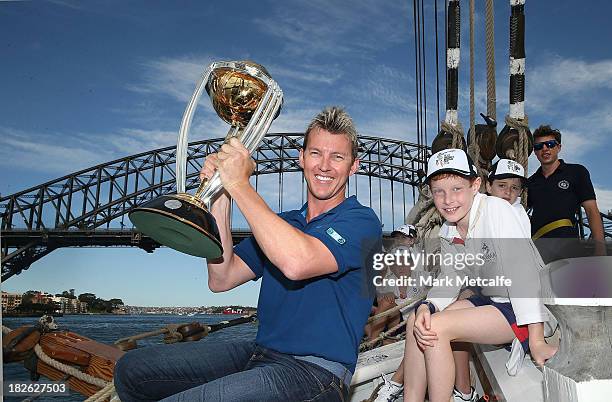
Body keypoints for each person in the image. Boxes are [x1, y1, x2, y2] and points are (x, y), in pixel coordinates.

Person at [113, 107, 382, 401]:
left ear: (354, 166)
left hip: (316, 372)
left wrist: (240, 183)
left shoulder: (362, 222)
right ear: (301, 158)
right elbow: (221, 278)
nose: (325, 166)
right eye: (316, 153)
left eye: (338, 157)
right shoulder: (281, 225)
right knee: (132, 370)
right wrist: (221, 194)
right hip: (259, 353)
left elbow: (296, 262)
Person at [401, 148, 556, 402]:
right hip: (494, 301)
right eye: (439, 191)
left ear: (475, 185)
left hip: (525, 310)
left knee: (436, 329)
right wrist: (428, 304)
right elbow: (450, 278)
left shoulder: (497, 211)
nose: (448, 199)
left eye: (456, 189)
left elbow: (523, 275)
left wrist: (537, 339)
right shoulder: (449, 231)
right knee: (418, 322)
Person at [527, 124, 605, 259]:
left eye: (550, 144)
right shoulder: (530, 182)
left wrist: (600, 249)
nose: (545, 149)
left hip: (567, 247)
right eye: (539, 146)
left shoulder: (576, 172)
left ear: (559, 147)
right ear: (535, 151)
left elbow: (591, 210)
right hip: (537, 250)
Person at [366, 225, 418, 345]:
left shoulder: (420, 266)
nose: (398, 241)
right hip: (396, 312)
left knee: (384, 303)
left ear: (412, 240)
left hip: (409, 315)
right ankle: (376, 340)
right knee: (362, 306)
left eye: (402, 238)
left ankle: (372, 342)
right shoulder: (391, 266)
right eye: (397, 238)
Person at [486, 158, 530, 233]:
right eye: (502, 185)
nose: (508, 192)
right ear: (489, 187)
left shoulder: (521, 217)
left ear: (520, 192)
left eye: (514, 187)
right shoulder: (477, 211)